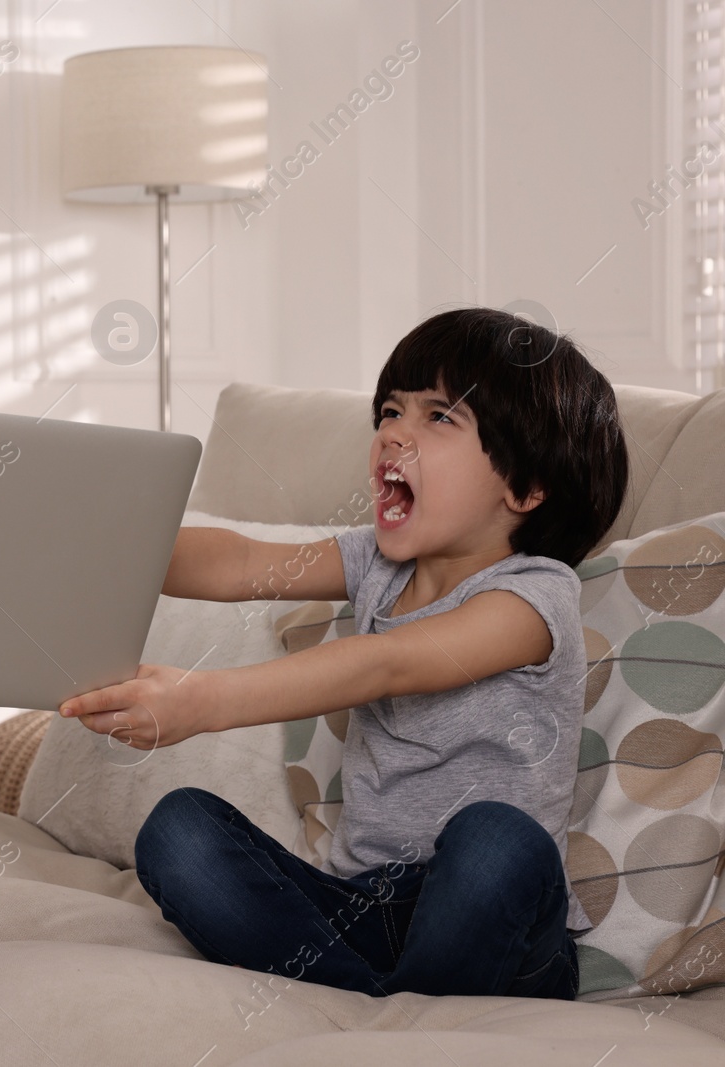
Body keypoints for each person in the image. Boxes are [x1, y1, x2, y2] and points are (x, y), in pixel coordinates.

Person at [58, 306, 629, 1000]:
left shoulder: (535, 597)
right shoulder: (376, 561)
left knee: (495, 840)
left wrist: (199, 700)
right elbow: (240, 563)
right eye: (390, 410)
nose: (394, 433)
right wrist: (114, 544)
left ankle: (394, 1005)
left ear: (524, 486)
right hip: (360, 908)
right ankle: (379, 1001)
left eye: (438, 417)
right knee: (181, 829)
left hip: (499, 925)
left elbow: (385, 662)